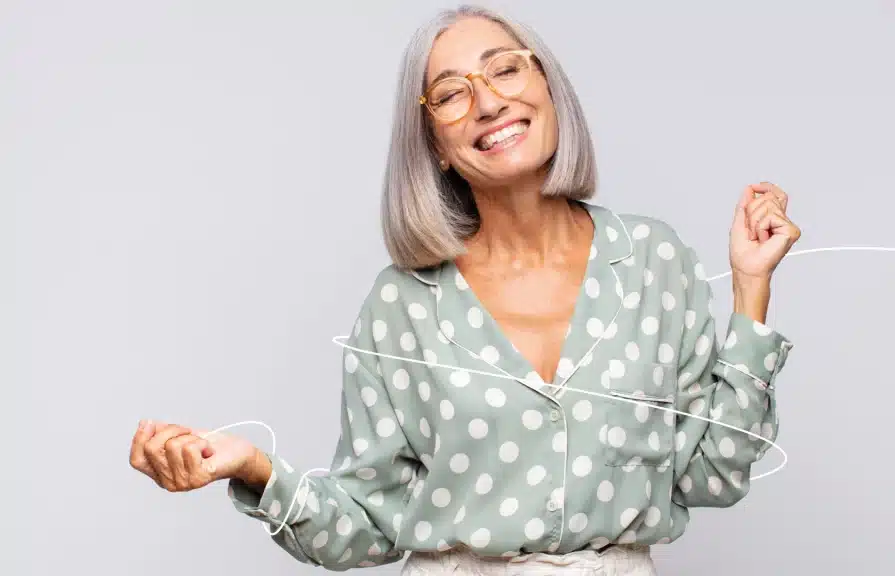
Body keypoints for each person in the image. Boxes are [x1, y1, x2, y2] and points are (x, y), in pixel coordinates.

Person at [129, 4, 800, 574]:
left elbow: (711, 472)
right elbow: (370, 521)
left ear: (547, 88)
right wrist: (256, 469)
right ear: (437, 145)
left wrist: (750, 287)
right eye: (451, 93)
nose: (488, 102)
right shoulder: (402, 306)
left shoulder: (655, 262)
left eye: (506, 68)